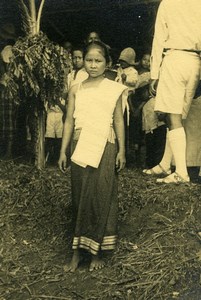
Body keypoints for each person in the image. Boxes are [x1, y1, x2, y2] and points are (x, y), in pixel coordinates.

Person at [58, 41, 127, 272]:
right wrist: (62, 150)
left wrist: (122, 150)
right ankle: (77, 252)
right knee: (80, 196)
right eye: (89, 60)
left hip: (105, 145)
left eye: (98, 61)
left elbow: (118, 120)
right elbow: (68, 120)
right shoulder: (76, 88)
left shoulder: (113, 88)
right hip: (80, 145)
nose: (93, 65)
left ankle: (96, 252)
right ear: (83, 62)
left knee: (101, 194)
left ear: (107, 63)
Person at [144, 0, 201, 183]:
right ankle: (165, 163)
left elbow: (159, 38)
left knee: (173, 117)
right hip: (194, 62)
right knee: (178, 117)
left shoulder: (168, 3)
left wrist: (154, 73)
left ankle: (181, 173)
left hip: (175, 59)